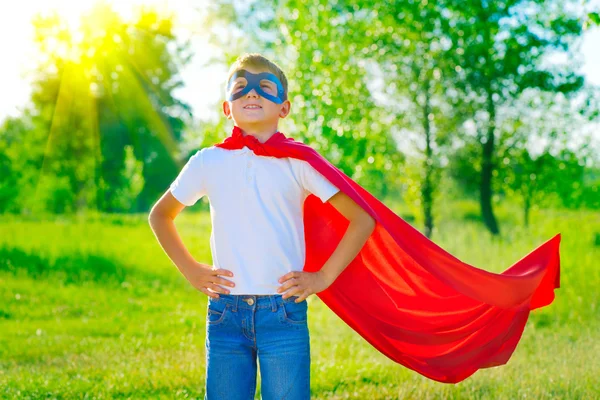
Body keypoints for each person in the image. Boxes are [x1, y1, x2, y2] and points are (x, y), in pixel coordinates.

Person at [148, 53, 376, 399]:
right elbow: (160, 215)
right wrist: (191, 270)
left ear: (284, 108)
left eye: (264, 87)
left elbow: (362, 219)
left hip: (282, 312)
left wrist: (323, 277)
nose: (251, 94)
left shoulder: (298, 163)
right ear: (228, 108)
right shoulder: (208, 161)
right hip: (225, 313)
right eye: (240, 88)